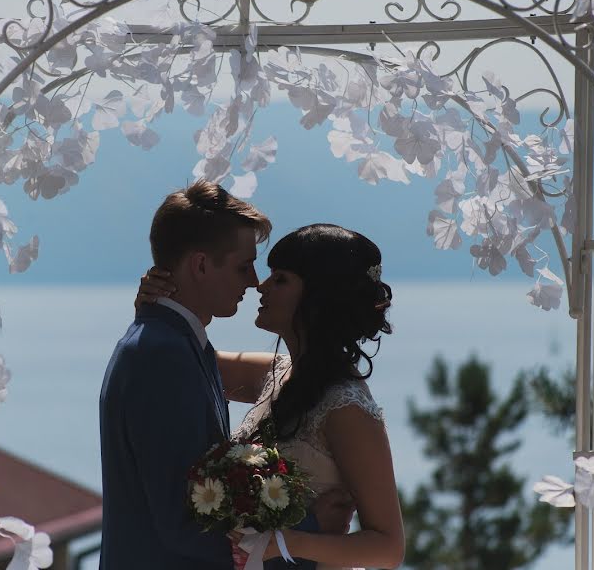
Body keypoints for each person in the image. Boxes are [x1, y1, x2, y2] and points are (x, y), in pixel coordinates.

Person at [100, 183, 353, 570]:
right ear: (201, 265)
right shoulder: (162, 354)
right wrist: (310, 530)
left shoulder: (173, 344)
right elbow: (184, 526)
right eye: (243, 265)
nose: (253, 281)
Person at [137, 223, 405, 570]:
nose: (260, 287)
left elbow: (388, 548)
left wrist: (287, 541)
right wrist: (154, 309)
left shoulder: (347, 408)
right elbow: (181, 361)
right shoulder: (275, 373)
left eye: (280, 279)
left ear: (317, 296)